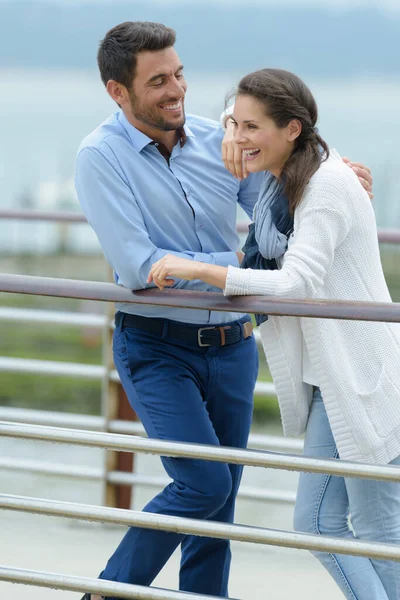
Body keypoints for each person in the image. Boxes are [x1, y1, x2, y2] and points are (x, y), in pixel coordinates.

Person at [75, 20, 373, 600]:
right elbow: (141, 266)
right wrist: (235, 261)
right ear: (119, 92)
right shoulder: (99, 157)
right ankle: (108, 593)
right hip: (157, 346)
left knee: (219, 506)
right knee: (203, 484)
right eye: (158, 80)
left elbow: (282, 199)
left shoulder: (219, 141)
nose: (176, 89)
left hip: (234, 347)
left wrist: (334, 173)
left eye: (179, 73)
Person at [150, 68, 400, 600]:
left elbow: (296, 280)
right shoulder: (290, 177)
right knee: (348, 529)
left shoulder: (326, 185)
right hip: (338, 379)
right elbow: (242, 116)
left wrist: (201, 270)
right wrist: (228, 129)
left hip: (360, 376)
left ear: (292, 128)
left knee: (348, 529)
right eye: (233, 125)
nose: (239, 138)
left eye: (251, 128)